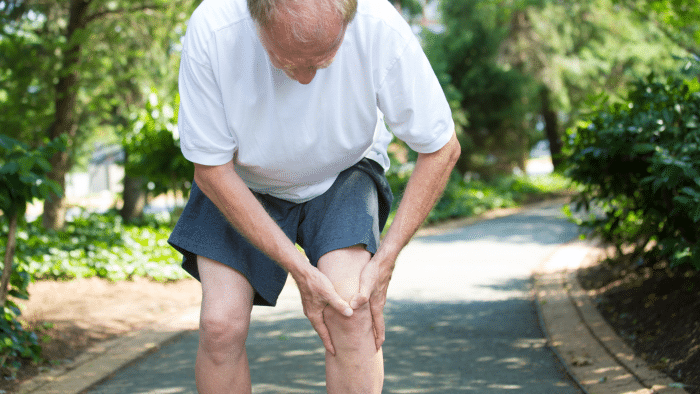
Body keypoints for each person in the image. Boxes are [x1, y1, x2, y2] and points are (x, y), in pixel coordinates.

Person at [167, 0, 460, 391]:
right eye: (287, 61)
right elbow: (211, 169)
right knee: (221, 326)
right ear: (255, 21)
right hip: (240, 177)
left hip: (343, 171)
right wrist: (300, 270)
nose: (304, 79)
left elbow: (442, 146)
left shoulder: (378, 24)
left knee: (351, 313)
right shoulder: (215, 26)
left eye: (323, 60)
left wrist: (387, 256)